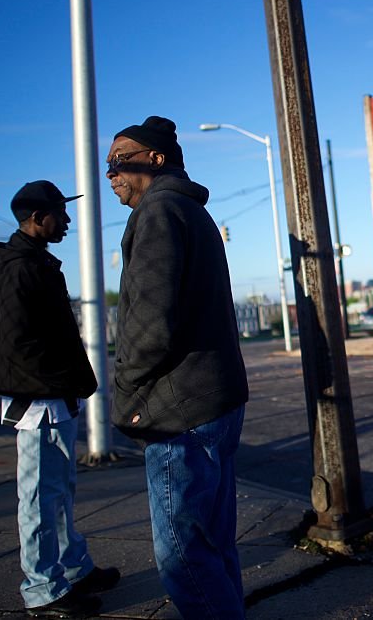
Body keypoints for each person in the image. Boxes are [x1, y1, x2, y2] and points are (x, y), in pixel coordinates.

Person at [106, 116, 249, 619]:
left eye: (120, 159)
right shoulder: (189, 212)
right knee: (214, 543)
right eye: (108, 165)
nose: (111, 173)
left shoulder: (158, 212)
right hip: (213, 400)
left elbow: (148, 321)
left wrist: (124, 391)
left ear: (156, 159)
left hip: (179, 410)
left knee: (183, 554)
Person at [0, 180, 120, 618]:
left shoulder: (35, 262)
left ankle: (72, 567)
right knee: (39, 498)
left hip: (54, 397)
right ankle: (43, 590)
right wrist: (57, 383)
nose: (67, 221)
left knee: (59, 492)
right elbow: (17, 342)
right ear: (38, 218)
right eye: (60, 214)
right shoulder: (19, 267)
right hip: (38, 401)